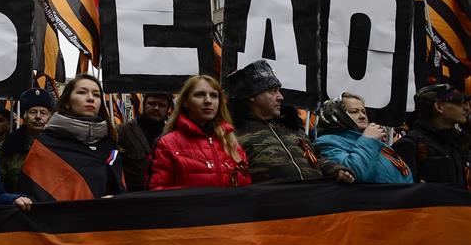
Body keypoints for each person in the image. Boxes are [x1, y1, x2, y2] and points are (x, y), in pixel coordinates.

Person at [226, 59, 354, 185]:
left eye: (279, 90)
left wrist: (336, 170)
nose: (280, 97)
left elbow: (317, 158)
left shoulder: (292, 128)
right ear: (251, 96)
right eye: (272, 91)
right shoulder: (234, 135)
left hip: (313, 200)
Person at [19, 73, 126, 201]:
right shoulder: (46, 144)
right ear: (67, 102)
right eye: (82, 92)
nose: (91, 98)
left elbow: (120, 191)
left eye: (96, 95)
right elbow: (34, 198)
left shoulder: (109, 145)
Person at [148, 75, 249, 189]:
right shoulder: (167, 144)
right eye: (200, 95)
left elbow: (245, 188)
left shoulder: (232, 143)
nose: (208, 101)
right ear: (186, 102)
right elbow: (157, 191)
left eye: (214, 96)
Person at [313, 93, 412, 184]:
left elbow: (402, 172)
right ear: (337, 114)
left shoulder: (376, 141)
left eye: (364, 112)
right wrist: (369, 140)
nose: (362, 116)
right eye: (354, 112)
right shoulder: (326, 142)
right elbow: (355, 173)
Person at [393, 84, 470, 189]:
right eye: (459, 102)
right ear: (439, 106)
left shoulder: (457, 142)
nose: (467, 108)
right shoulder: (410, 144)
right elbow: (404, 192)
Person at [0, 88, 54, 192]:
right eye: (33, 112)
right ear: (24, 116)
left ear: (49, 117)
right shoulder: (8, 147)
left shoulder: (58, 145)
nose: (38, 117)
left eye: (43, 113)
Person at [116, 92, 172, 191]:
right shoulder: (123, 131)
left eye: (162, 105)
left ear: (168, 109)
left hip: (162, 195)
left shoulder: (171, 134)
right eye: (152, 104)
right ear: (143, 105)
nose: (156, 108)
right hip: (133, 197)